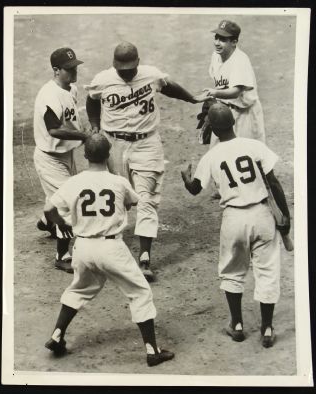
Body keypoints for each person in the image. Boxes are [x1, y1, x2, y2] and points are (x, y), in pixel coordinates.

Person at [43, 133, 174, 367]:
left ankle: (57, 334)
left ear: (85, 155)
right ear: (108, 154)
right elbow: (132, 202)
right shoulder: (118, 182)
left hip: (82, 247)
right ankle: (152, 350)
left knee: (79, 289)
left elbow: (49, 208)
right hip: (110, 247)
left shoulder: (73, 182)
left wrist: (62, 223)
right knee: (140, 292)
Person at [85, 41, 206, 281]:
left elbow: (169, 87)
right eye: (122, 69)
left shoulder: (151, 75)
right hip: (114, 144)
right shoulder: (103, 79)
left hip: (147, 144)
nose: (126, 73)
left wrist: (191, 98)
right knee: (118, 198)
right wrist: (95, 126)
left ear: (138, 63)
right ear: (114, 65)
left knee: (147, 199)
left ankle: (145, 258)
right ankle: (110, 252)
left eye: (130, 68)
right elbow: (92, 99)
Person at [181, 103, 290, 348]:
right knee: (267, 271)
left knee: (232, 270)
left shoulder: (211, 156)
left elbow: (195, 188)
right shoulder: (254, 146)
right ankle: (268, 327)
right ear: (232, 122)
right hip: (262, 215)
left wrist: (186, 178)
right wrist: (285, 219)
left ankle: (237, 325)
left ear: (214, 129)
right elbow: (273, 183)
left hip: (233, 218)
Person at [33, 47, 89, 273]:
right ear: (56, 70)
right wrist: (83, 136)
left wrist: (83, 133)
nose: (74, 71)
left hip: (66, 155)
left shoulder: (71, 89)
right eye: (68, 69)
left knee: (60, 198)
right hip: (50, 159)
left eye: (75, 66)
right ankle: (62, 255)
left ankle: (47, 222)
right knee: (67, 203)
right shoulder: (49, 95)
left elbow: (70, 120)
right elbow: (54, 130)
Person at [203, 20, 265, 144]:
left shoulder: (240, 61)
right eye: (216, 38)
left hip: (245, 114)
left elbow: (236, 92)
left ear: (234, 42)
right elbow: (221, 85)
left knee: (247, 153)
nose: (217, 43)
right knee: (219, 153)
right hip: (225, 111)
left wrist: (214, 93)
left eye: (223, 40)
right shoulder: (216, 56)